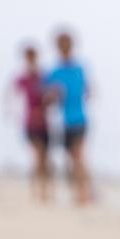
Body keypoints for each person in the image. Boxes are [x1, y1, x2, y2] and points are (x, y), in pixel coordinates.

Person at [44, 30, 94, 205]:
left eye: (67, 44)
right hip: (64, 122)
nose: (64, 48)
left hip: (80, 119)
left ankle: (83, 195)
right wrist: (53, 95)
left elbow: (89, 92)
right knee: (71, 159)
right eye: (61, 45)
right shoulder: (54, 72)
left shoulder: (80, 69)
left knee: (78, 156)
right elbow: (46, 99)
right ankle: (81, 192)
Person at [12, 45, 50, 202]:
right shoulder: (23, 78)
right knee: (38, 155)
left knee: (44, 158)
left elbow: (50, 98)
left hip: (45, 123)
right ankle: (37, 191)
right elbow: (13, 97)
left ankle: (43, 190)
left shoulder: (43, 76)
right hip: (30, 122)